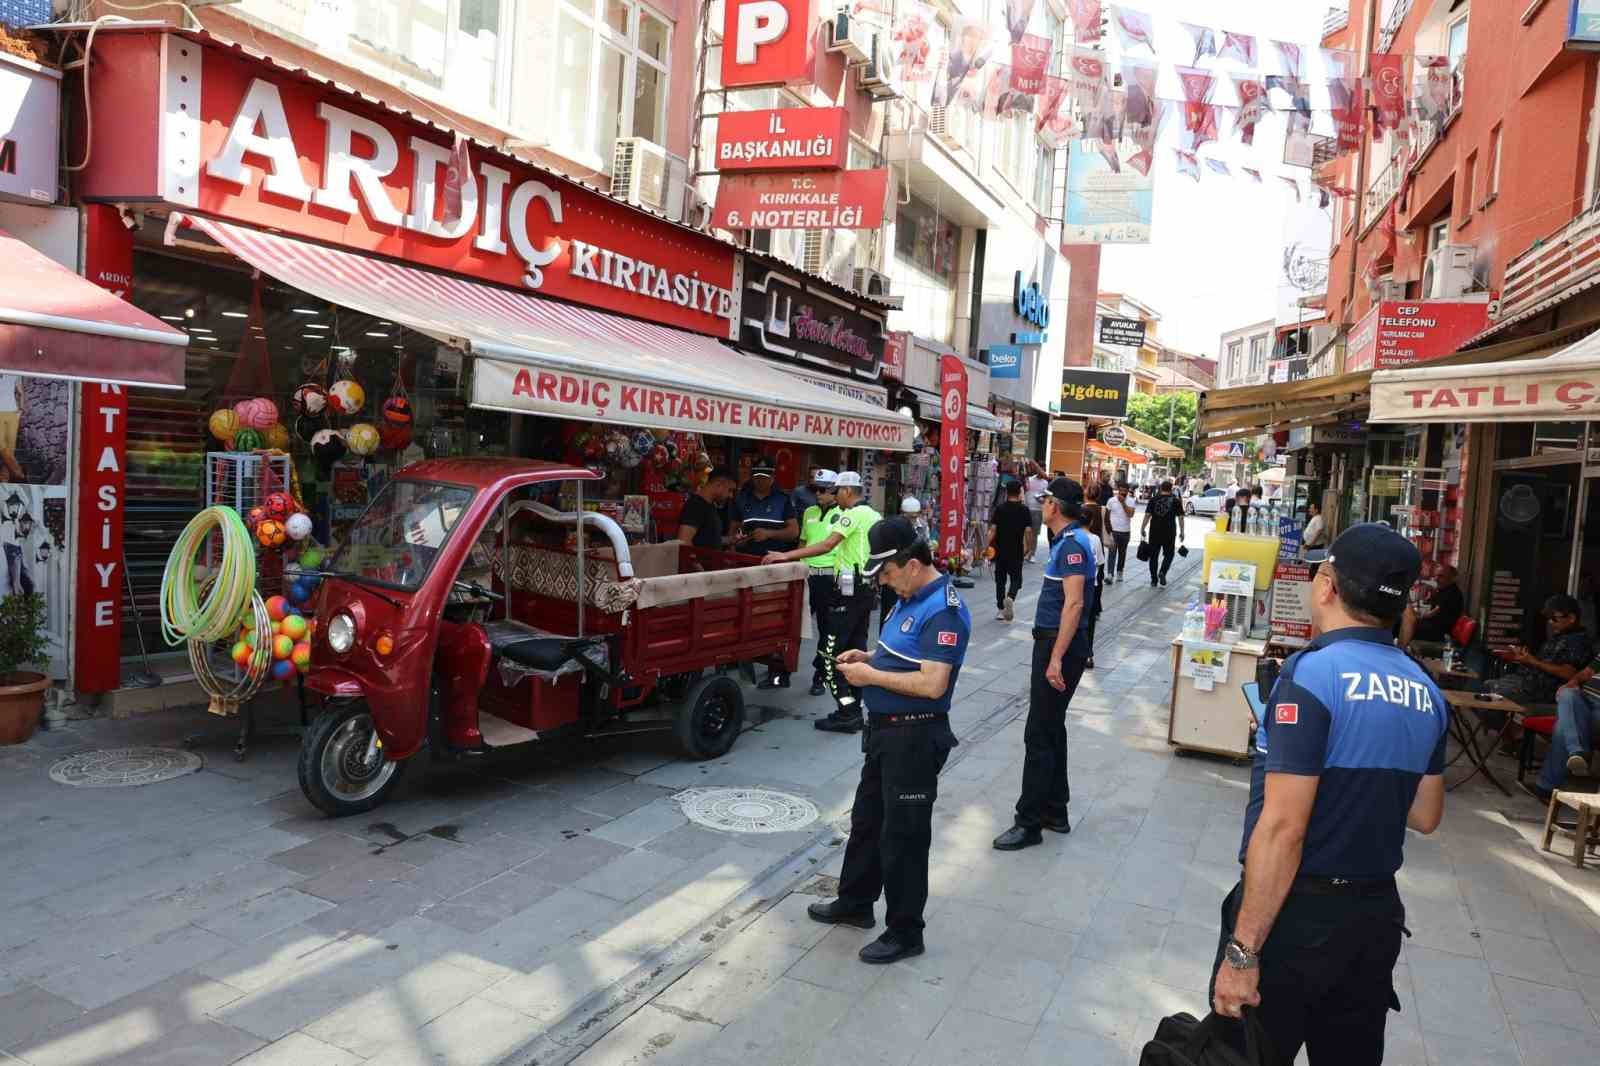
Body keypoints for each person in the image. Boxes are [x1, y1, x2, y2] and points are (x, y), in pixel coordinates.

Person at [1209, 523, 1446, 1065]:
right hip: (1373, 920)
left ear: (1326, 586)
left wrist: (1242, 956)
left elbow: (1283, 829)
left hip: (1297, 919)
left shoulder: (1312, 676)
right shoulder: (1425, 689)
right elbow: (1427, 814)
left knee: (1245, 1052)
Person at [807, 518, 968, 964]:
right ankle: (855, 903)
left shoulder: (944, 609)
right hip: (884, 732)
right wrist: (870, 657)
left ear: (912, 565)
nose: (882, 580)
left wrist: (869, 676)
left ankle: (905, 931)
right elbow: (902, 653)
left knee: (904, 837)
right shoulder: (910, 596)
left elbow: (934, 684)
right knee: (867, 821)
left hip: (914, 735)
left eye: (887, 572)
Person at [993, 477, 1096, 851]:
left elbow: (1074, 604)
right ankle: (1055, 809)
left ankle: (1029, 822)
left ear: (1058, 506)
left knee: (1038, 733)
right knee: (1052, 728)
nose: (1043, 504)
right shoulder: (1068, 542)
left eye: (1047, 499)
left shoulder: (1072, 545)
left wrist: (1055, 659)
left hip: (1059, 646)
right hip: (1058, 645)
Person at [765, 471, 881, 732]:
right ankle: (854, 709)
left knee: (831, 655)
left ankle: (847, 711)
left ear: (848, 492)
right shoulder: (874, 515)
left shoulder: (850, 515)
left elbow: (827, 545)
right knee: (856, 651)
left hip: (848, 591)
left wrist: (786, 556)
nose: (830, 494)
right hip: (863, 592)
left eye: (836, 490)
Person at [1486, 594, 1591, 706]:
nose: (1550, 622)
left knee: (1490, 694)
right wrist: (1525, 659)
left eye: (1554, 618)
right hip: (1527, 684)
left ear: (1571, 618)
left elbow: (1570, 673)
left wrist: (1533, 661)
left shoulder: (1579, 641)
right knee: (1487, 686)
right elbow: (1542, 664)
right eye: (1549, 618)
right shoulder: (1559, 636)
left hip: (1542, 693)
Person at [788, 469, 840, 696]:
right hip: (806, 576)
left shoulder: (844, 514)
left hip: (829, 578)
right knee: (792, 625)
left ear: (835, 491)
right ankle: (780, 672)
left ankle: (821, 675)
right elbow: (802, 543)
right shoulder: (809, 511)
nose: (817, 493)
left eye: (822, 490)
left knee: (826, 631)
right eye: (814, 489)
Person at [1534, 649, 1600, 801]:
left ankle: (1546, 787)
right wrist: (1574, 681)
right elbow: (1587, 672)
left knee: (1563, 726)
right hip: (1585, 701)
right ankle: (1577, 753)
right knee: (1567, 694)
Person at [731, 457, 799, 554]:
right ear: (752, 477)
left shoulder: (783, 499)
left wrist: (768, 534)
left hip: (774, 559)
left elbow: (794, 532)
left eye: (764, 477)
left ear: (773, 477)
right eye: (757, 477)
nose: (760, 481)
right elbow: (733, 529)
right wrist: (735, 544)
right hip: (746, 557)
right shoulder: (741, 499)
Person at [881, 497, 926, 632]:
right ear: (901, 513)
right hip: (895, 573)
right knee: (889, 610)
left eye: (914, 517)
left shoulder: (922, 526)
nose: (911, 520)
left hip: (913, 575)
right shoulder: (891, 527)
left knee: (911, 611)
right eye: (908, 517)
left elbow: (925, 547)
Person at [988, 480, 1031, 622]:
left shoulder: (1000, 509)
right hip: (1017, 550)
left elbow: (993, 530)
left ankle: (1000, 609)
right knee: (1016, 578)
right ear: (1019, 492)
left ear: (1007, 492)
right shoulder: (1024, 510)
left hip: (1000, 550)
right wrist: (1028, 547)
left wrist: (984, 546)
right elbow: (1028, 531)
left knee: (1000, 580)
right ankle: (1011, 597)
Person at [676, 467, 736, 549]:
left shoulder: (709, 505)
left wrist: (728, 540)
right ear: (718, 484)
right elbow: (684, 541)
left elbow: (706, 539)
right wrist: (698, 561)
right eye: (730, 490)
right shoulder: (696, 505)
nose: (731, 496)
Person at [1140, 479, 1185, 588]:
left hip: (1155, 531)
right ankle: (1163, 572)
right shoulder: (1176, 501)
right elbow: (1181, 517)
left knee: (1153, 555)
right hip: (1169, 531)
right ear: (1171, 489)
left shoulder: (1153, 499)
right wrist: (1182, 531)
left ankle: (1154, 580)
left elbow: (1147, 515)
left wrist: (1142, 527)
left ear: (1160, 488)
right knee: (1169, 554)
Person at [1406, 564, 1464, 645]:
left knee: (1405, 624)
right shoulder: (1442, 590)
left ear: (1451, 578)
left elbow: (1432, 613)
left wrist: (1415, 617)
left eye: (1441, 576)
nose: (1436, 579)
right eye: (1436, 576)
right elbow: (1424, 602)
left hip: (1440, 632)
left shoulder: (1453, 593)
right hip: (1432, 626)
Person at [1081, 503, 1107, 670]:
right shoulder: (1095, 539)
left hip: (1072, 586)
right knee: (1089, 622)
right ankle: (1088, 655)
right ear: (1091, 523)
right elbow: (1099, 562)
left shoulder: (1070, 537)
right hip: (1091, 586)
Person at [1105, 482, 1136, 583]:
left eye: (1125, 491)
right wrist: (1108, 531)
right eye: (1121, 490)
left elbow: (1130, 514)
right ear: (1118, 490)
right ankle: (1110, 574)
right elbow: (1107, 516)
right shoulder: (1111, 501)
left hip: (1125, 531)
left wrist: (1123, 503)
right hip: (1114, 531)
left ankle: (1119, 572)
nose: (1123, 493)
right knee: (1112, 553)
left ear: (1128, 491)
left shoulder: (1131, 501)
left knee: (1122, 553)